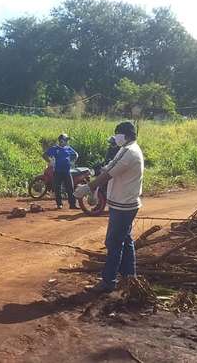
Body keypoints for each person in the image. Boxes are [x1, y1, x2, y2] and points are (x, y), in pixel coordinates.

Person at [74, 121, 143, 293]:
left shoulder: (130, 152)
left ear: (125, 135)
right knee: (126, 241)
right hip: (123, 203)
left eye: (117, 134)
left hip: (123, 205)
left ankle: (108, 281)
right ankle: (129, 277)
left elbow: (109, 175)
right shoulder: (126, 149)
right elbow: (110, 167)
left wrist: (87, 188)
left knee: (113, 242)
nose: (116, 137)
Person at [44, 133, 79, 209]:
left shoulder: (68, 148)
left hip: (67, 171)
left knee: (70, 188)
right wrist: (50, 161)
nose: (67, 142)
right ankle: (59, 204)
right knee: (57, 188)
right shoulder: (54, 148)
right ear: (61, 141)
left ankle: (72, 205)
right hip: (57, 171)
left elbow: (76, 154)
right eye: (66, 140)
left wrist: (73, 161)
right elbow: (45, 155)